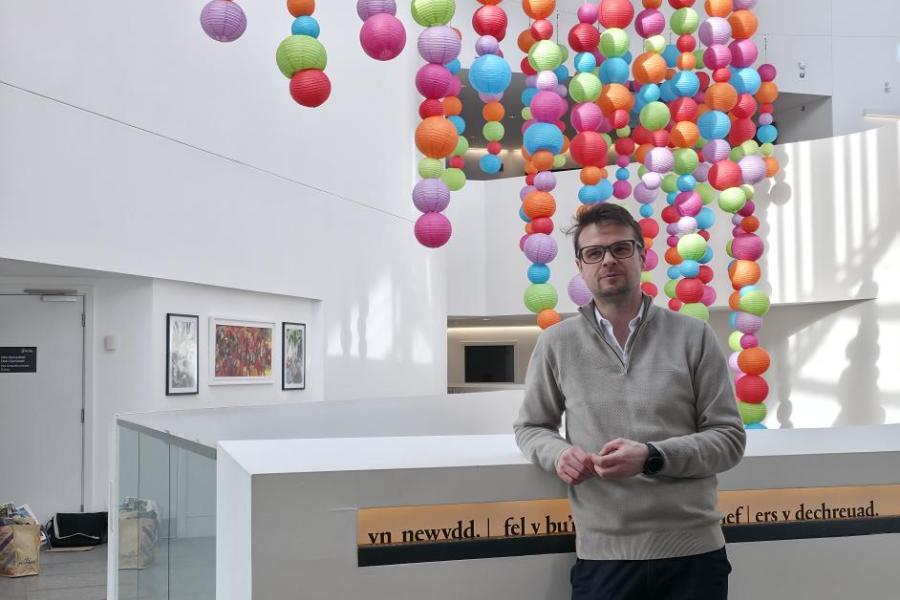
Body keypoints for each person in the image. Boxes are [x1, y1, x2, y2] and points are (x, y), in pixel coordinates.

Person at [514, 203, 746, 600]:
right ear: (581, 265)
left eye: (621, 248)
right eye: (594, 252)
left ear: (642, 255)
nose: (608, 260)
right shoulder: (557, 343)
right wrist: (558, 454)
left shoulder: (694, 335)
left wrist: (651, 456)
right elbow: (531, 427)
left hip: (693, 553)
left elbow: (728, 439)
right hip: (604, 558)